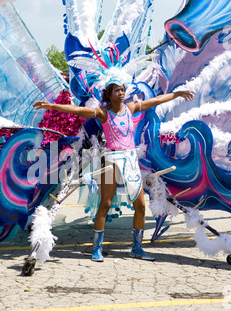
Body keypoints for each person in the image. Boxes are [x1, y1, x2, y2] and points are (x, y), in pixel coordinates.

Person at [33, 82, 194, 262]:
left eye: (123, 90)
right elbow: (77, 110)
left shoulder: (131, 108)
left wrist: (178, 94)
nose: (121, 93)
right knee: (105, 205)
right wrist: (52, 106)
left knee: (140, 206)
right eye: (117, 91)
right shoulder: (103, 113)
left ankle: (137, 248)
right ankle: (97, 248)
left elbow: (156, 100)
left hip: (131, 160)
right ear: (109, 95)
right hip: (111, 160)